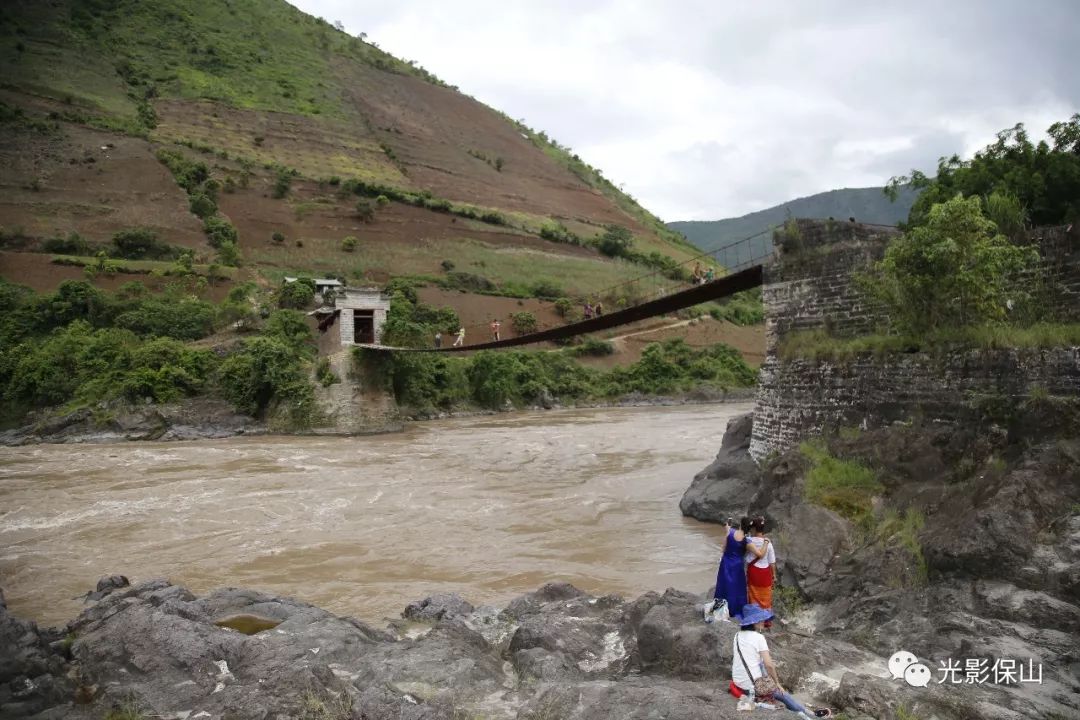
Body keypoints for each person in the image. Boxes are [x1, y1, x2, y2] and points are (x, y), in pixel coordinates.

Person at [732, 604, 833, 718]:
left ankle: (805, 711)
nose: (763, 621)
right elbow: (769, 665)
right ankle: (811, 714)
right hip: (750, 688)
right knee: (782, 693)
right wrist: (777, 683)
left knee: (767, 677)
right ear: (753, 622)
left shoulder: (737, 635)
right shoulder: (758, 638)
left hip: (738, 683)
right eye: (759, 619)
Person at [707, 517, 751, 623]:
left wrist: (728, 529)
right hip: (737, 564)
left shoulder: (730, 533)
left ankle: (721, 606)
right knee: (737, 587)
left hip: (726, 562)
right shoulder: (747, 540)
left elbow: (724, 548)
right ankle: (735, 609)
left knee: (724, 585)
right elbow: (745, 553)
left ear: (740, 524)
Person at [745, 517, 776, 627]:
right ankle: (765, 621)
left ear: (753, 528)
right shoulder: (768, 543)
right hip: (765, 573)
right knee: (766, 596)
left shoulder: (749, 541)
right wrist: (774, 576)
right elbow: (772, 562)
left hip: (754, 572)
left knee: (753, 595)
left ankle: (754, 620)